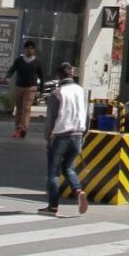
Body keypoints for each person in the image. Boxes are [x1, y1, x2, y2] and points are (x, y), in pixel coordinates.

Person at [40, 63, 89, 216]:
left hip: (61, 136)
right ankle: (78, 190)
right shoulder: (81, 91)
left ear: (58, 76)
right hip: (77, 135)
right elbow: (87, 116)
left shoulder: (57, 93)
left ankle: (53, 206)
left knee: (53, 173)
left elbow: (50, 120)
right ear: (71, 74)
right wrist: (83, 134)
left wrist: (47, 138)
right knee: (68, 168)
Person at [5, 40, 45, 139]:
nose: (29, 50)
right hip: (19, 87)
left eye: (31, 48)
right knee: (19, 108)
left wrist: (41, 89)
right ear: (24, 49)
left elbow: (41, 76)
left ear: (34, 50)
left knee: (26, 108)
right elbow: (12, 69)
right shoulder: (19, 60)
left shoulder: (37, 62)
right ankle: (18, 128)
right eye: (27, 48)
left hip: (31, 88)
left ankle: (24, 128)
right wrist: (8, 76)